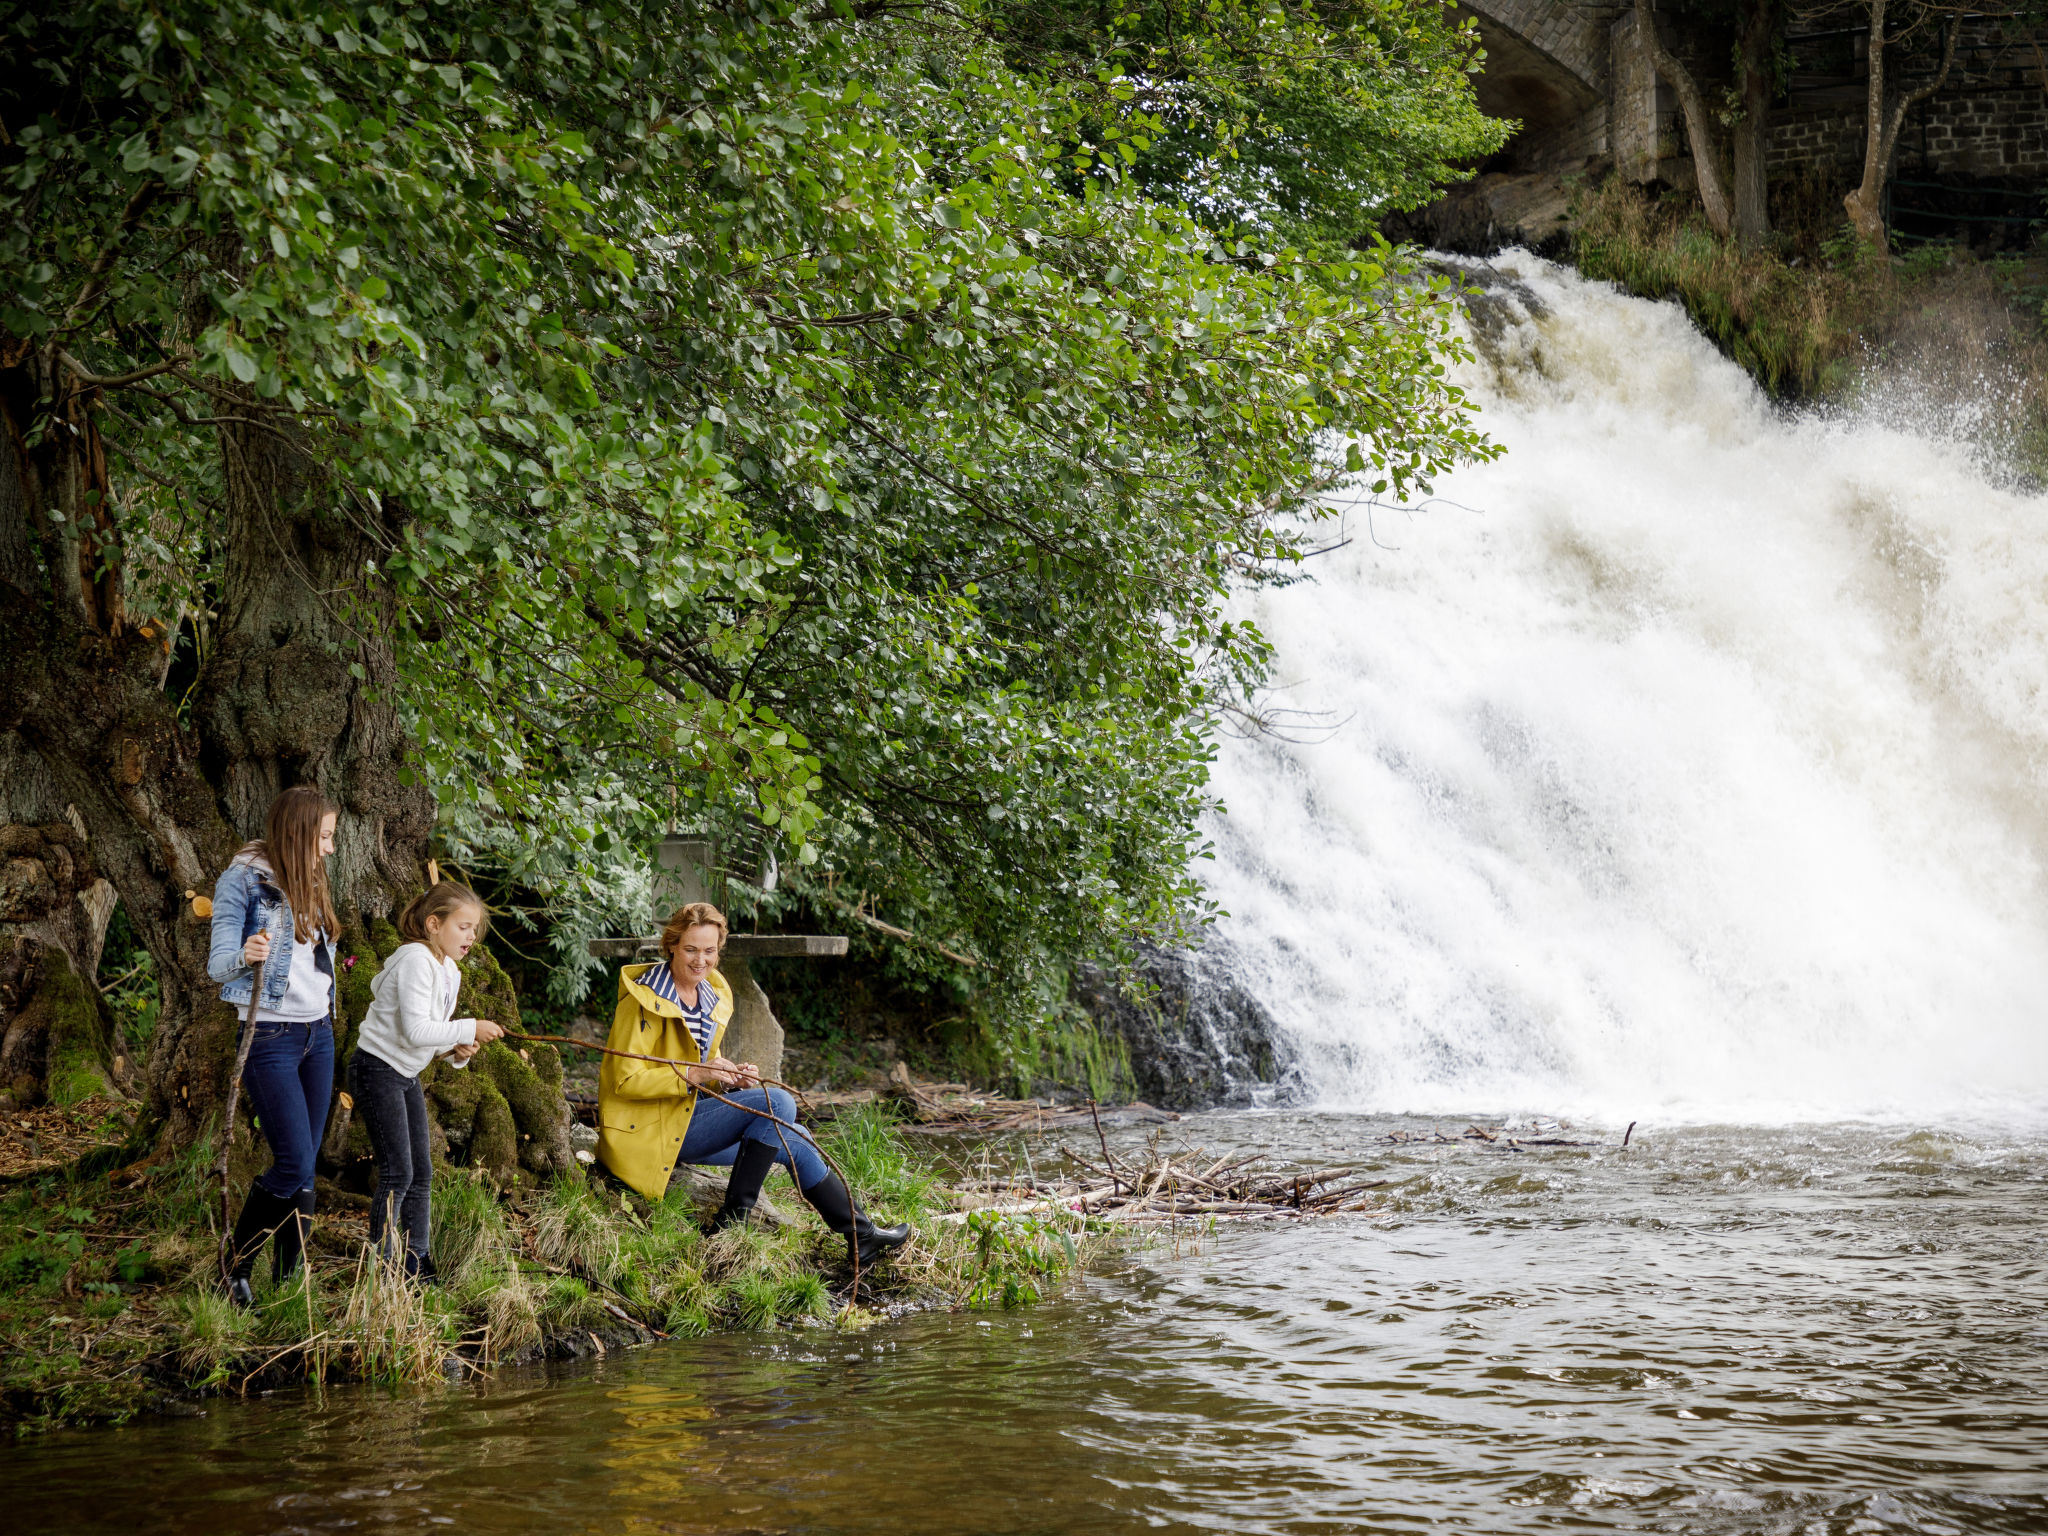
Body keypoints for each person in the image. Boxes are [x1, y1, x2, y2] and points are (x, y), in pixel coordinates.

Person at [596, 901, 911, 1266]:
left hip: (681, 1119)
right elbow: (625, 1081)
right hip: (645, 1130)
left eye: (710, 951)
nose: (701, 960)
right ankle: (733, 1225)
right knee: (777, 1104)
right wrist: (698, 1073)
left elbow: (695, 1080)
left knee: (797, 1137)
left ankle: (861, 1236)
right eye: (691, 950)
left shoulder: (708, 996)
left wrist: (728, 1079)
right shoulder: (642, 1000)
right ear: (671, 946)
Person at [207, 786, 341, 1307]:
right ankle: (234, 1267)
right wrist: (246, 952)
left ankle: (289, 1283)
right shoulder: (242, 880)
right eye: (324, 837)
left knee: (307, 1164)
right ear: (298, 834)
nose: (329, 848)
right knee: (292, 1162)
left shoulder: (311, 874)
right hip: (269, 1037)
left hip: (318, 1035)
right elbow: (217, 967)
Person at [349, 881, 506, 1281]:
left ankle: (417, 1261)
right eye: (463, 927)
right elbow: (418, 1030)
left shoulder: (449, 970)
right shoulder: (416, 960)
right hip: (376, 1069)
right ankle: (383, 1266)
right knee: (398, 1172)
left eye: (475, 929)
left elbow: (428, 1038)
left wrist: (456, 1051)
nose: (471, 936)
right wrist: (468, 1026)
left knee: (423, 1172)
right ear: (433, 924)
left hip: (406, 1073)